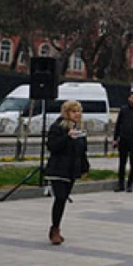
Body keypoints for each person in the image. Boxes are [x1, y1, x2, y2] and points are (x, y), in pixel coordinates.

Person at [45, 100, 90, 245]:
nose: (76, 114)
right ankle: (55, 229)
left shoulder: (80, 130)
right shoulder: (57, 127)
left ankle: (56, 226)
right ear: (66, 113)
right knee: (60, 197)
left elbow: (82, 151)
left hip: (72, 170)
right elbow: (52, 146)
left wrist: (84, 167)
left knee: (63, 199)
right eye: (73, 111)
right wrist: (66, 137)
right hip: (58, 169)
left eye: (78, 111)